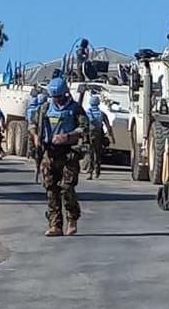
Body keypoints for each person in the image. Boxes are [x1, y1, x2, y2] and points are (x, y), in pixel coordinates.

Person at [36, 77, 88, 236]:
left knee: (66, 188)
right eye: (54, 97)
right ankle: (55, 224)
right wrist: (36, 137)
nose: (56, 100)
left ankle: (72, 218)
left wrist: (68, 136)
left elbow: (85, 128)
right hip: (50, 153)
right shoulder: (45, 108)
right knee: (51, 189)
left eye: (58, 97)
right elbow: (33, 124)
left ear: (65, 94)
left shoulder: (75, 109)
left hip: (68, 153)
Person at [84, 94, 110, 179]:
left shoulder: (87, 113)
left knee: (89, 154)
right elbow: (108, 126)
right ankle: (97, 171)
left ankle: (90, 172)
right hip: (98, 136)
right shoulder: (102, 113)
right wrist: (112, 137)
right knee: (97, 154)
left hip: (89, 135)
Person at [26, 91, 46, 180]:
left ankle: (32, 158)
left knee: (33, 149)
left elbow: (29, 120)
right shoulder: (46, 109)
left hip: (32, 131)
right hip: (43, 134)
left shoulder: (31, 109)